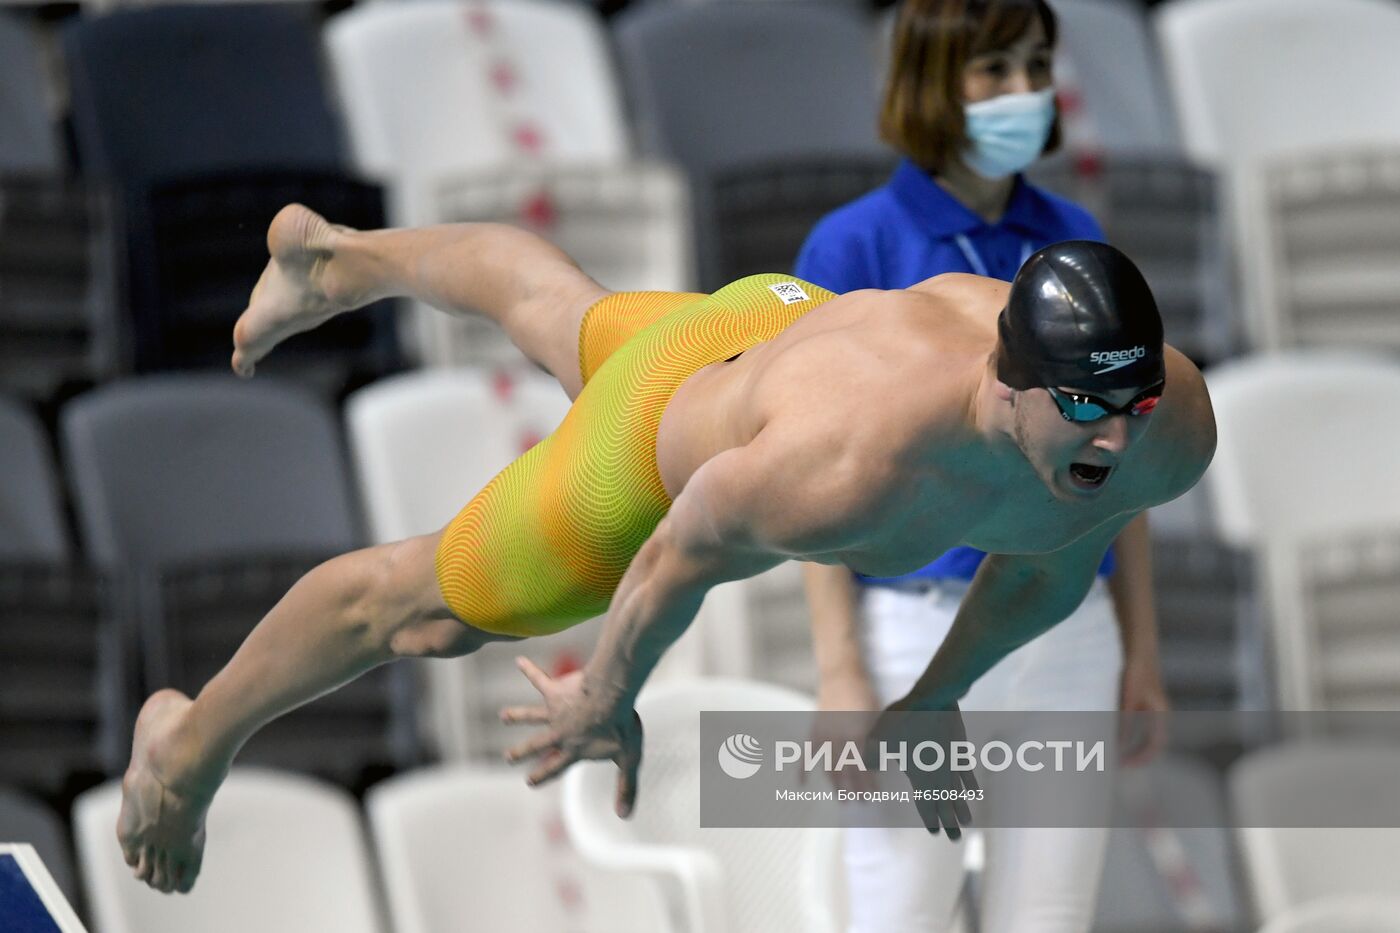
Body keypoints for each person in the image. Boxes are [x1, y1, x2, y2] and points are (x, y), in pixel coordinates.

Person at [117, 203, 1213, 896]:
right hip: (670, 436)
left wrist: (930, 697)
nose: (1114, 436)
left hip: (775, 319)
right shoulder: (848, 466)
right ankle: (184, 744)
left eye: (1130, 398)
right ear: (1006, 380)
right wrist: (606, 688)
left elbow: (1055, 559)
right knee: (425, 610)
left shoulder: (1161, 431)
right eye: (1082, 405)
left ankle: (336, 256)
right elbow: (682, 548)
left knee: (570, 313)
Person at [796, 0, 1167, 929]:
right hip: (916, 632)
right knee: (900, 913)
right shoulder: (852, 247)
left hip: (1072, 627)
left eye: (1036, 67)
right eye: (993, 71)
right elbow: (803, 476)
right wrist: (841, 669)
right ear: (931, 82)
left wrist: (1143, 648)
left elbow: (1128, 460)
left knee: (1049, 914)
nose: (1024, 93)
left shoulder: (1075, 230)